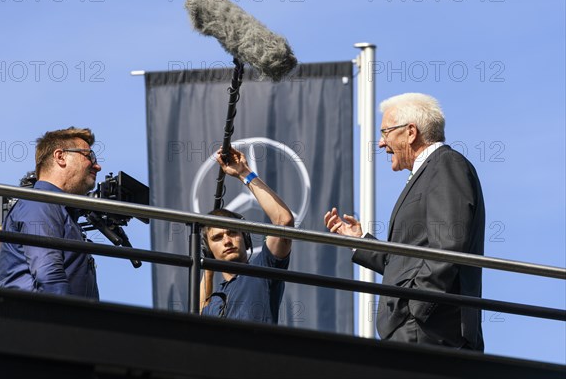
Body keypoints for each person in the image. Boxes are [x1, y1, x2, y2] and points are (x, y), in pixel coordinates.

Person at [324, 93, 485, 351]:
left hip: (428, 329)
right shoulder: (431, 170)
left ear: (411, 132)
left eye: (385, 132)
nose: (380, 143)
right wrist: (359, 241)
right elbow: (405, 262)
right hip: (416, 327)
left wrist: (416, 307)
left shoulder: (445, 164)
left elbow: (449, 246)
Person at [0, 127, 102, 299]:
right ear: (60, 157)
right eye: (90, 156)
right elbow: (48, 274)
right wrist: (68, 321)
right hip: (38, 321)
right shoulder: (40, 203)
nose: (97, 166)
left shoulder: (59, 210)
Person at [200, 146, 294, 323]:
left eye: (232, 233)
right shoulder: (212, 303)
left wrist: (244, 173)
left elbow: (284, 222)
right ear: (208, 250)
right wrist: (207, 266)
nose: (227, 241)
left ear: (246, 238)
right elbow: (195, 322)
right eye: (217, 238)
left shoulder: (263, 267)